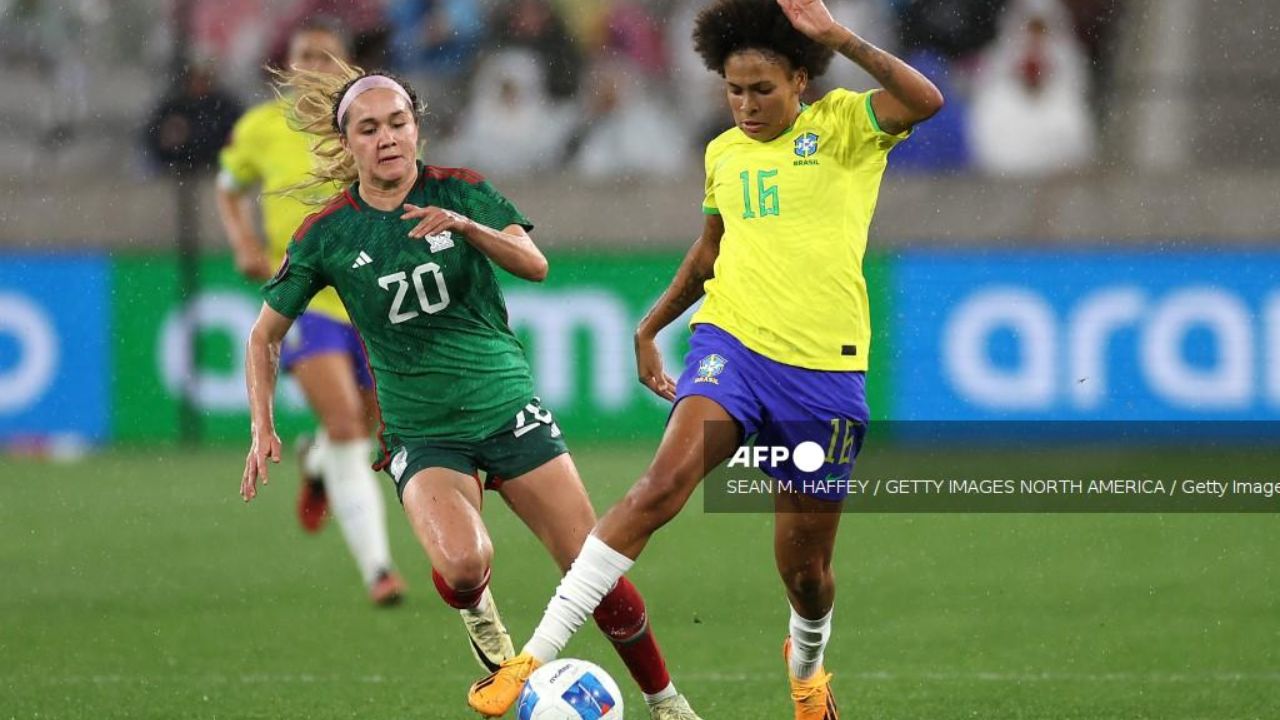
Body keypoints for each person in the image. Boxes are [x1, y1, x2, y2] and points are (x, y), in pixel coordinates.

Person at [467, 1, 943, 719]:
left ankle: (808, 672)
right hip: (733, 349)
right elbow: (712, 249)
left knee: (805, 571)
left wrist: (839, 37)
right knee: (659, 487)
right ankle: (529, 659)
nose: (746, 105)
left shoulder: (844, 127)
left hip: (823, 375)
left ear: (800, 81)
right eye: (733, 90)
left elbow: (924, 100)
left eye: (763, 89)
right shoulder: (723, 154)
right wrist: (651, 324)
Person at [238, 60, 704, 720]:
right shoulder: (327, 234)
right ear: (348, 145)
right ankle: (481, 616)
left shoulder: (461, 189)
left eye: (397, 122)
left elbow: (535, 266)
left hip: (507, 409)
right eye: (367, 128)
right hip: (423, 433)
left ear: (416, 127)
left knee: (592, 569)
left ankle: (666, 701)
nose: (386, 137)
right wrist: (264, 424)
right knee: (462, 566)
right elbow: (264, 336)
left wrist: (467, 228)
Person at [215, 20, 406, 607]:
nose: (314, 68)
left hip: (370, 296)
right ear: (287, 66)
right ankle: (379, 569)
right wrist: (246, 245)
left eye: (327, 59)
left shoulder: (366, 129)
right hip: (303, 297)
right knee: (349, 424)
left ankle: (317, 459)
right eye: (304, 57)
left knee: (373, 424)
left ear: (347, 70)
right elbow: (227, 187)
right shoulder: (261, 129)